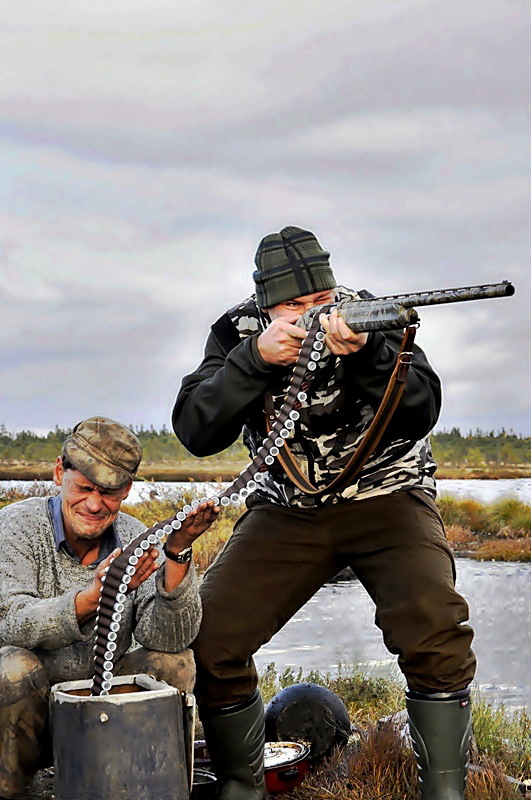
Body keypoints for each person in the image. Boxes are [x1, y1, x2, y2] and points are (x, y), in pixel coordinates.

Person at [172, 226, 476, 800]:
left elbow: (422, 408)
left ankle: (445, 790)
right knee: (211, 636)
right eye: (294, 307)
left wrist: (369, 354)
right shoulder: (236, 332)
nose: (314, 314)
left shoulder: (370, 316)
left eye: (321, 300)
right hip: (286, 509)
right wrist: (254, 361)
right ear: (265, 306)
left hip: (388, 494)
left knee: (435, 629)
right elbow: (195, 429)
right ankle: (242, 786)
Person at [0, 416, 218, 799]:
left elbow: (169, 639)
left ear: (127, 490)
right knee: (12, 668)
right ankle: (12, 788)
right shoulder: (15, 527)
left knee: (175, 663)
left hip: (101, 704)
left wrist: (177, 552)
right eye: (84, 488)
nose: (94, 504)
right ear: (59, 472)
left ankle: (145, 783)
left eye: (109, 493)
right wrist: (94, 598)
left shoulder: (136, 537)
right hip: (26, 715)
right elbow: (10, 622)